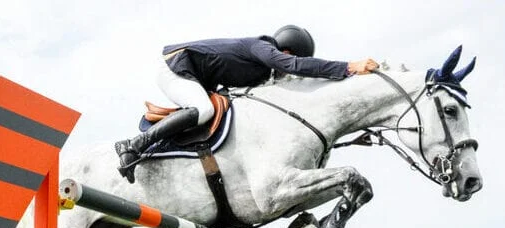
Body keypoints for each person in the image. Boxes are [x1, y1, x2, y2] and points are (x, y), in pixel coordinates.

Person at [115, 25, 380, 182]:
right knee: (204, 109)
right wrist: (348, 67)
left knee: (213, 112)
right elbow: (294, 65)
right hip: (175, 66)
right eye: (290, 60)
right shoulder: (262, 47)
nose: (286, 70)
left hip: (196, 77)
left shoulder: (261, 72)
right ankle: (133, 145)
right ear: (287, 50)